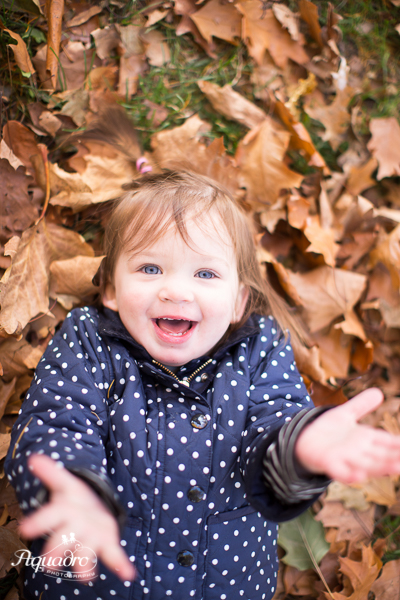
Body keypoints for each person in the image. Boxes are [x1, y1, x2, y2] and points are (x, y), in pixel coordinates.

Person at [5, 168, 400, 600]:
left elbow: (275, 420)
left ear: (239, 301)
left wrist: (301, 446)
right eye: (150, 268)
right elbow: (57, 420)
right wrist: (68, 487)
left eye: (206, 274)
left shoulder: (259, 353)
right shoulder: (89, 342)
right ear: (112, 289)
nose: (176, 291)